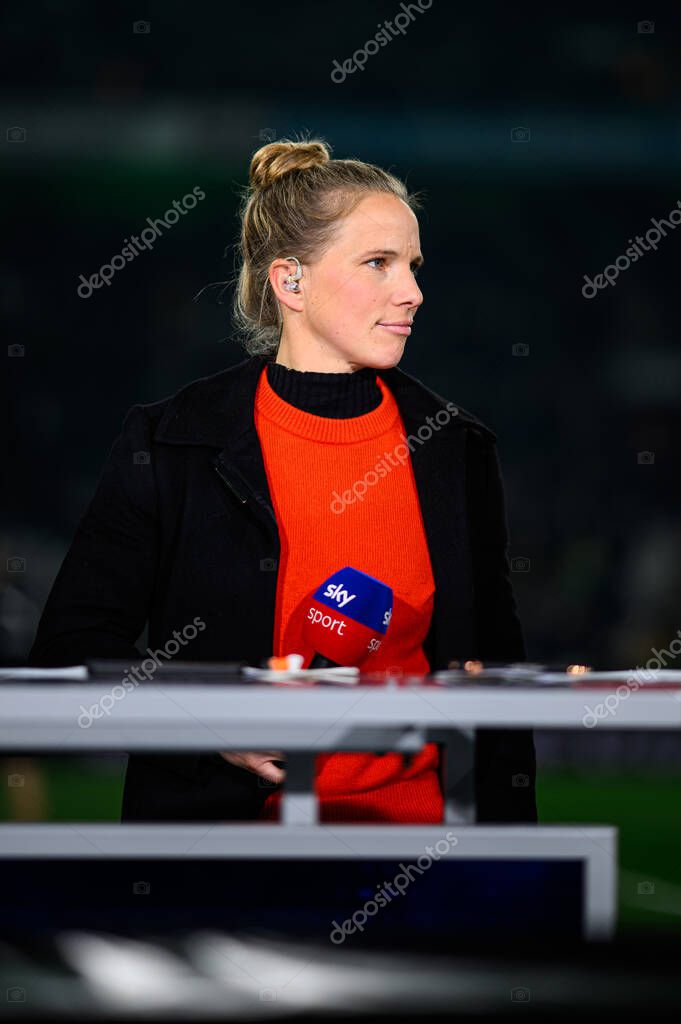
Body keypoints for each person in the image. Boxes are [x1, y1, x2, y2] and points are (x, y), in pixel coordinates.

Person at [28, 136, 536, 825]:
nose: (412, 293)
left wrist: (507, 863)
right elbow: (72, 647)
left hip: (424, 854)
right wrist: (205, 722)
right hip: (220, 857)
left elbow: (496, 679)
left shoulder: (456, 448)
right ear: (290, 281)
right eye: (378, 263)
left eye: (412, 266)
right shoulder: (171, 442)